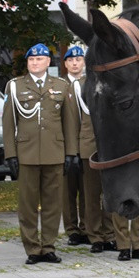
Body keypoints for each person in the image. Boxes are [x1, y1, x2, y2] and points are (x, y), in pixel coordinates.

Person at [3, 43, 80, 264]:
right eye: (31, 60)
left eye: (39, 59)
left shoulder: (61, 86)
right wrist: (10, 154)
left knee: (53, 204)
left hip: (54, 152)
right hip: (26, 153)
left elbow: (70, 122)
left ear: (48, 62)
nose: (35, 63)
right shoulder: (15, 86)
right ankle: (32, 249)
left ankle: (48, 246)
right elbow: (8, 123)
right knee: (27, 205)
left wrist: (71, 153)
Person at [61, 45, 93, 246]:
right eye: (71, 60)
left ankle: (87, 227)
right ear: (65, 64)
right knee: (68, 192)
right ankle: (72, 229)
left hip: (88, 144)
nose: (75, 63)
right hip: (66, 146)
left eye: (78, 60)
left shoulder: (89, 84)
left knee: (88, 191)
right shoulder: (59, 85)